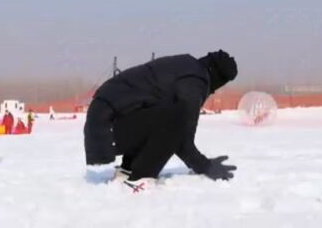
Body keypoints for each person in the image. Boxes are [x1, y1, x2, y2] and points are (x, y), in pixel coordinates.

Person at [84, 50, 239, 191]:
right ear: (218, 76)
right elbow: (182, 136)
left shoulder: (185, 66)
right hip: (107, 128)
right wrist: (206, 166)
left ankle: (128, 169)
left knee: (161, 110)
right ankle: (141, 176)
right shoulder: (194, 81)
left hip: (104, 126)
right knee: (175, 116)